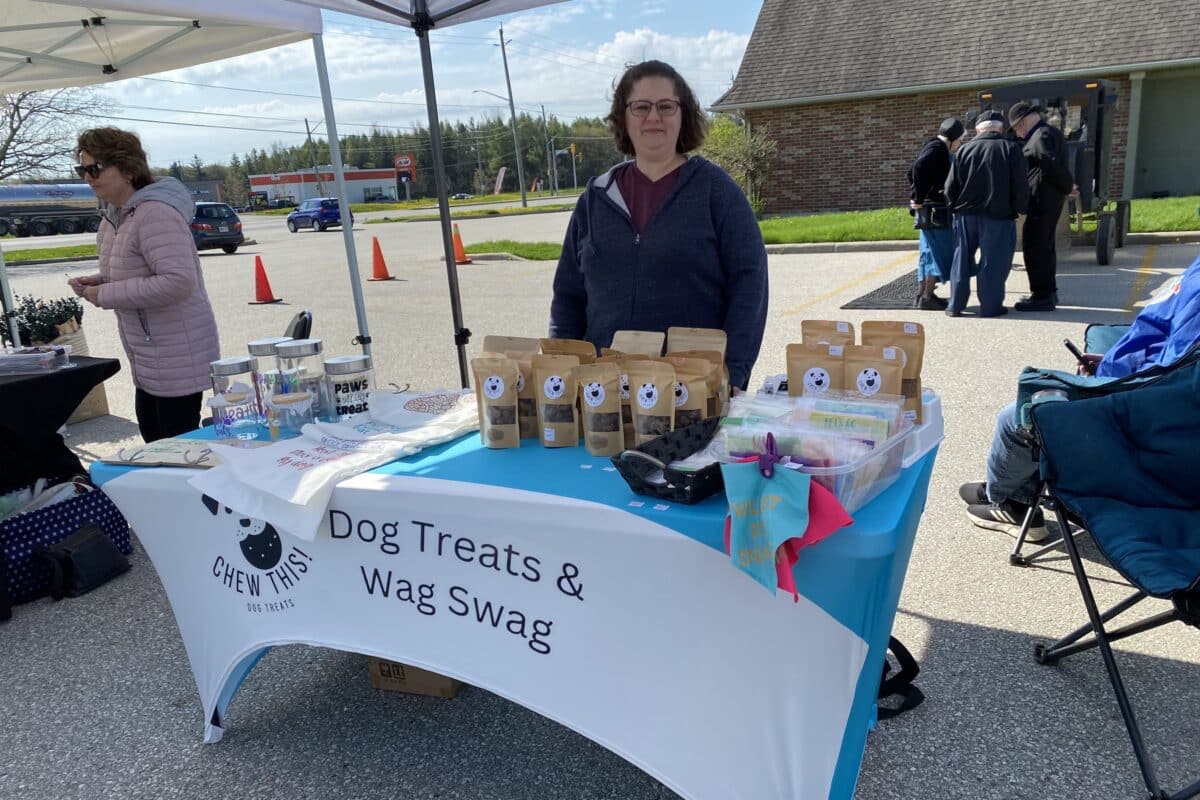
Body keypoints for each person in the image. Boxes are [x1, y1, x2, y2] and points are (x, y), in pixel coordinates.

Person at [548, 60, 768, 390]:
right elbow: (568, 296)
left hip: (691, 390)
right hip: (604, 394)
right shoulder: (595, 199)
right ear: (623, 116)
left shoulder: (716, 191)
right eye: (641, 107)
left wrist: (733, 373)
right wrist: (559, 368)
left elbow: (749, 284)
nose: (654, 117)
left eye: (666, 106)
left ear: (683, 115)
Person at [960, 251, 1200, 541]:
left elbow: (1174, 376)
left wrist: (1109, 383)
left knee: (1020, 415)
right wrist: (1118, 360)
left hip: (1149, 422)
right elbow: (1170, 352)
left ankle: (1005, 501)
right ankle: (1014, 495)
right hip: (1155, 398)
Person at [67, 127, 220, 442]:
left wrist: (105, 293)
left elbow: (178, 281)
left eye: (94, 168)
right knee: (156, 449)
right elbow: (136, 272)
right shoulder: (115, 218)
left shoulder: (155, 214)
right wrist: (98, 281)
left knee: (177, 457)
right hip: (149, 358)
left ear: (126, 168)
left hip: (177, 358)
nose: (87, 177)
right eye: (81, 169)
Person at [943, 111, 1029, 317]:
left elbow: (949, 187)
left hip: (965, 215)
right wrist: (1022, 208)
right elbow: (1020, 185)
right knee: (993, 263)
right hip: (998, 215)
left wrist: (954, 207)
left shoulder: (963, 150)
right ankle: (990, 307)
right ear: (999, 128)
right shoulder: (1011, 149)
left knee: (960, 261)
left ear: (978, 129)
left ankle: (955, 305)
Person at [1008, 101, 1074, 312]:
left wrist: (1068, 185)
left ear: (1025, 119)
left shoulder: (1040, 136)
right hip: (1047, 200)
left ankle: (1041, 296)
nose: (1018, 133)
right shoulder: (1048, 133)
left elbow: (1049, 163)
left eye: (1017, 127)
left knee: (1035, 247)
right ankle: (1048, 292)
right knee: (1044, 246)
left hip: (1042, 201)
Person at [907, 117, 965, 310]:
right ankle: (927, 297)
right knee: (935, 253)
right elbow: (918, 168)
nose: (959, 144)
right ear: (954, 137)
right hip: (935, 211)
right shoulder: (938, 148)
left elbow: (912, 172)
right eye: (960, 140)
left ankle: (922, 296)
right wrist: (918, 197)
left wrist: (918, 196)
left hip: (928, 210)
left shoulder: (931, 145)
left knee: (928, 252)